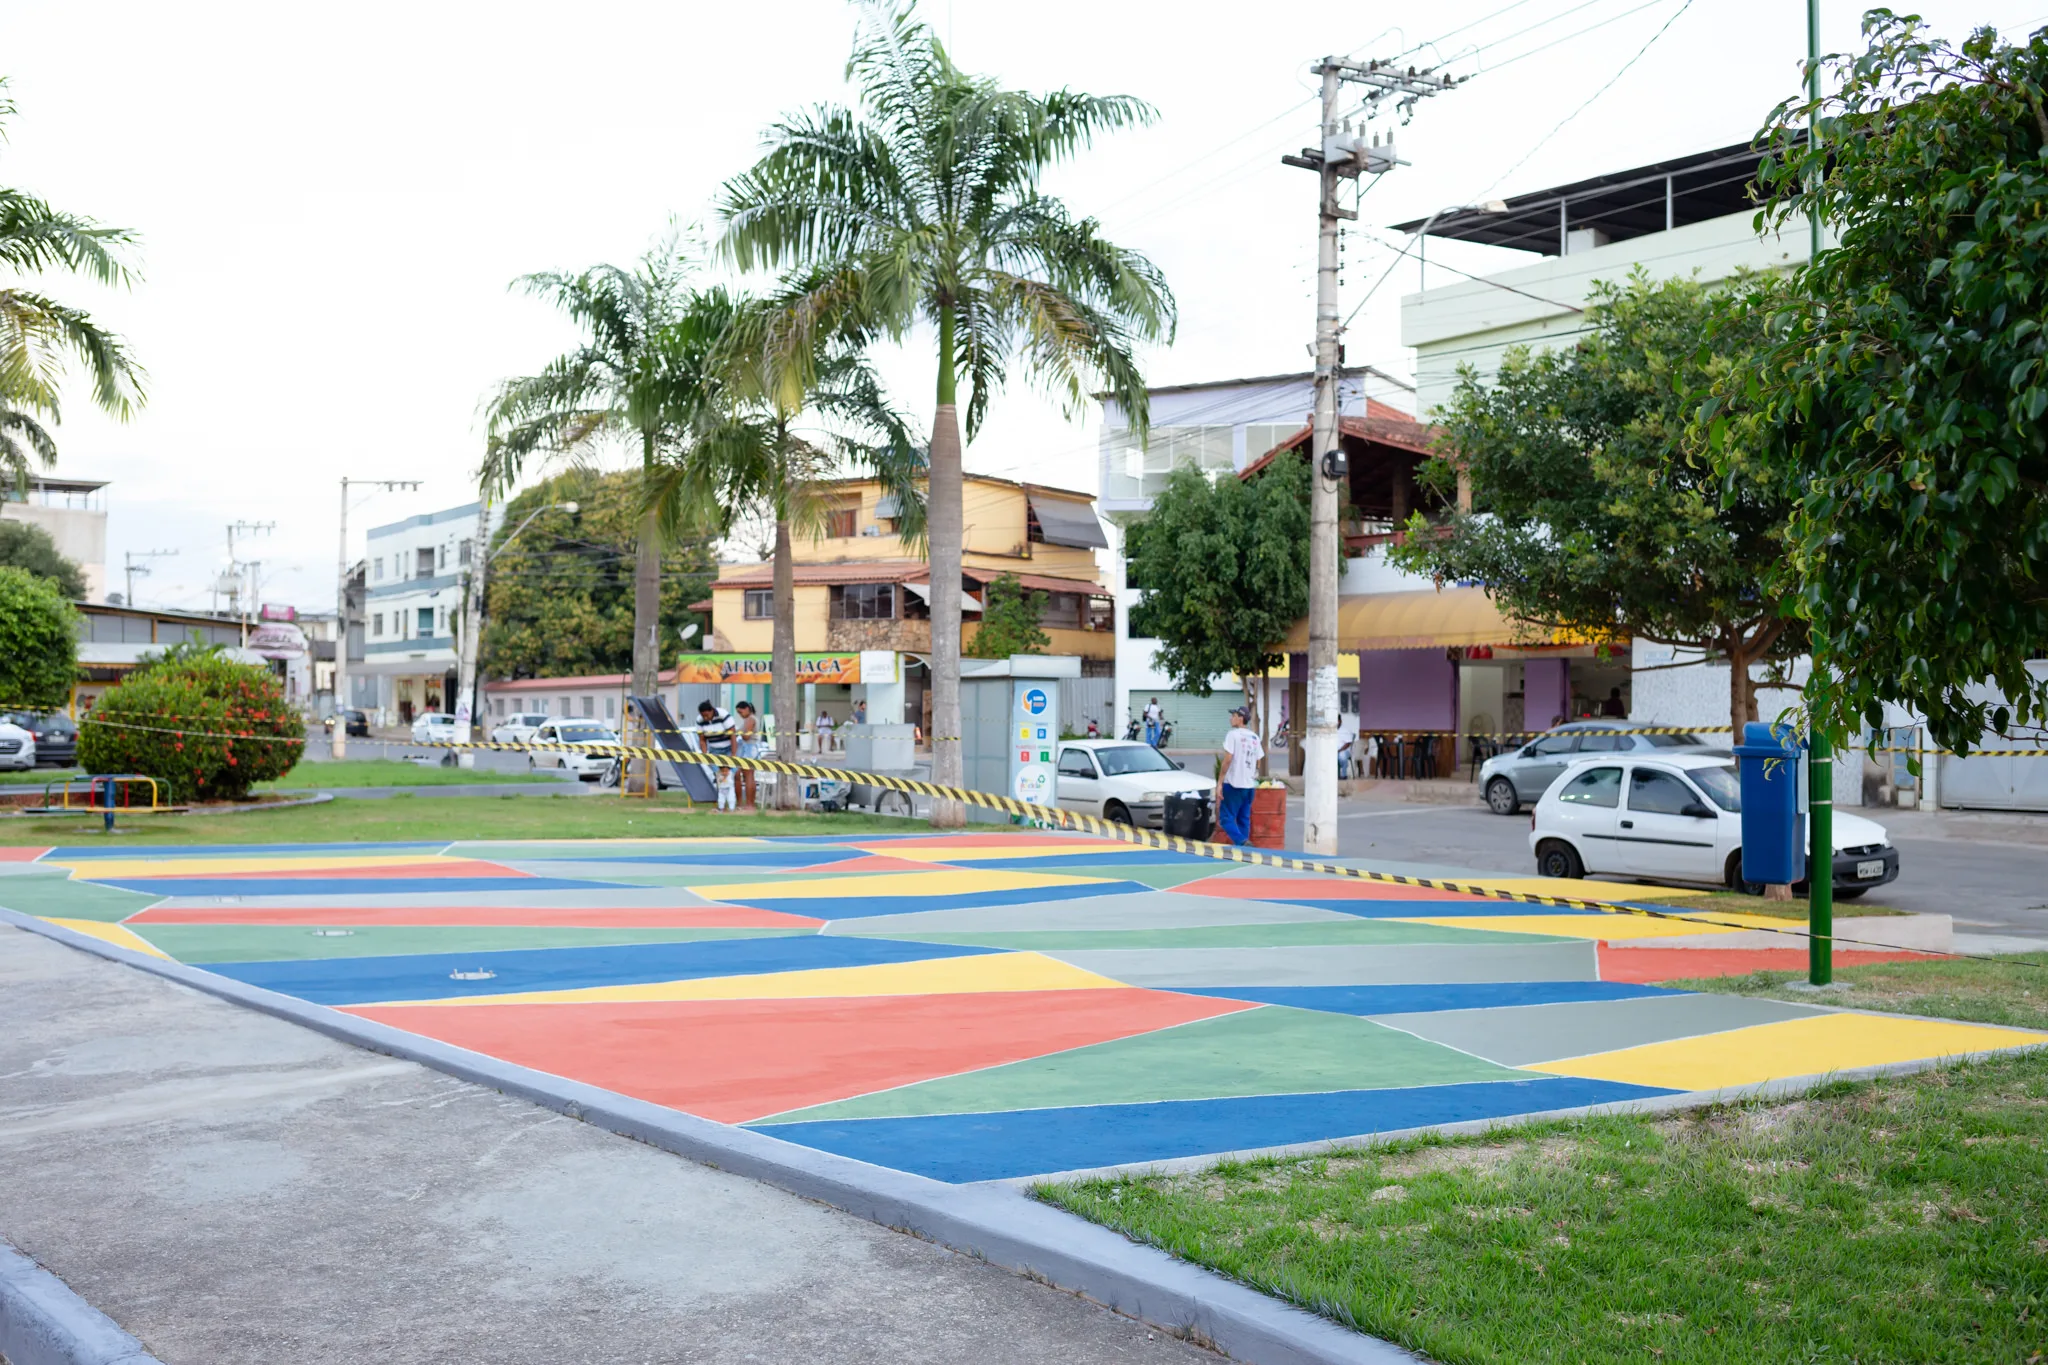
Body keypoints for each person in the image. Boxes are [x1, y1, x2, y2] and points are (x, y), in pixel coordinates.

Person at [1214, 706, 1264, 847]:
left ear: (1240, 718)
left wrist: (1220, 782)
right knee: (1243, 818)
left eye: (1234, 715)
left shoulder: (1233, 735)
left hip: (1233, 784)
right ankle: (1244, 850)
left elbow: (1228, 758)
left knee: (1225, 819)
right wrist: (1252, 774)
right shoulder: (1254, 737)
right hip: (1249, 785)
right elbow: (1259, 760)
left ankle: (1242, 842)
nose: (1231, 718)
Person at [733, 700, 760, 808]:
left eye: (741, 712)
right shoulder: (748, 720)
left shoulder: (751, 719)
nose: (740, 715)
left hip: (749, 747)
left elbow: (746, 736)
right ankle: (743, 803)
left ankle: (749, 803)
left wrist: (738, 733)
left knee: (748, 775)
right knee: (741, 775)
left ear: (747, 709)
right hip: (746, 747)